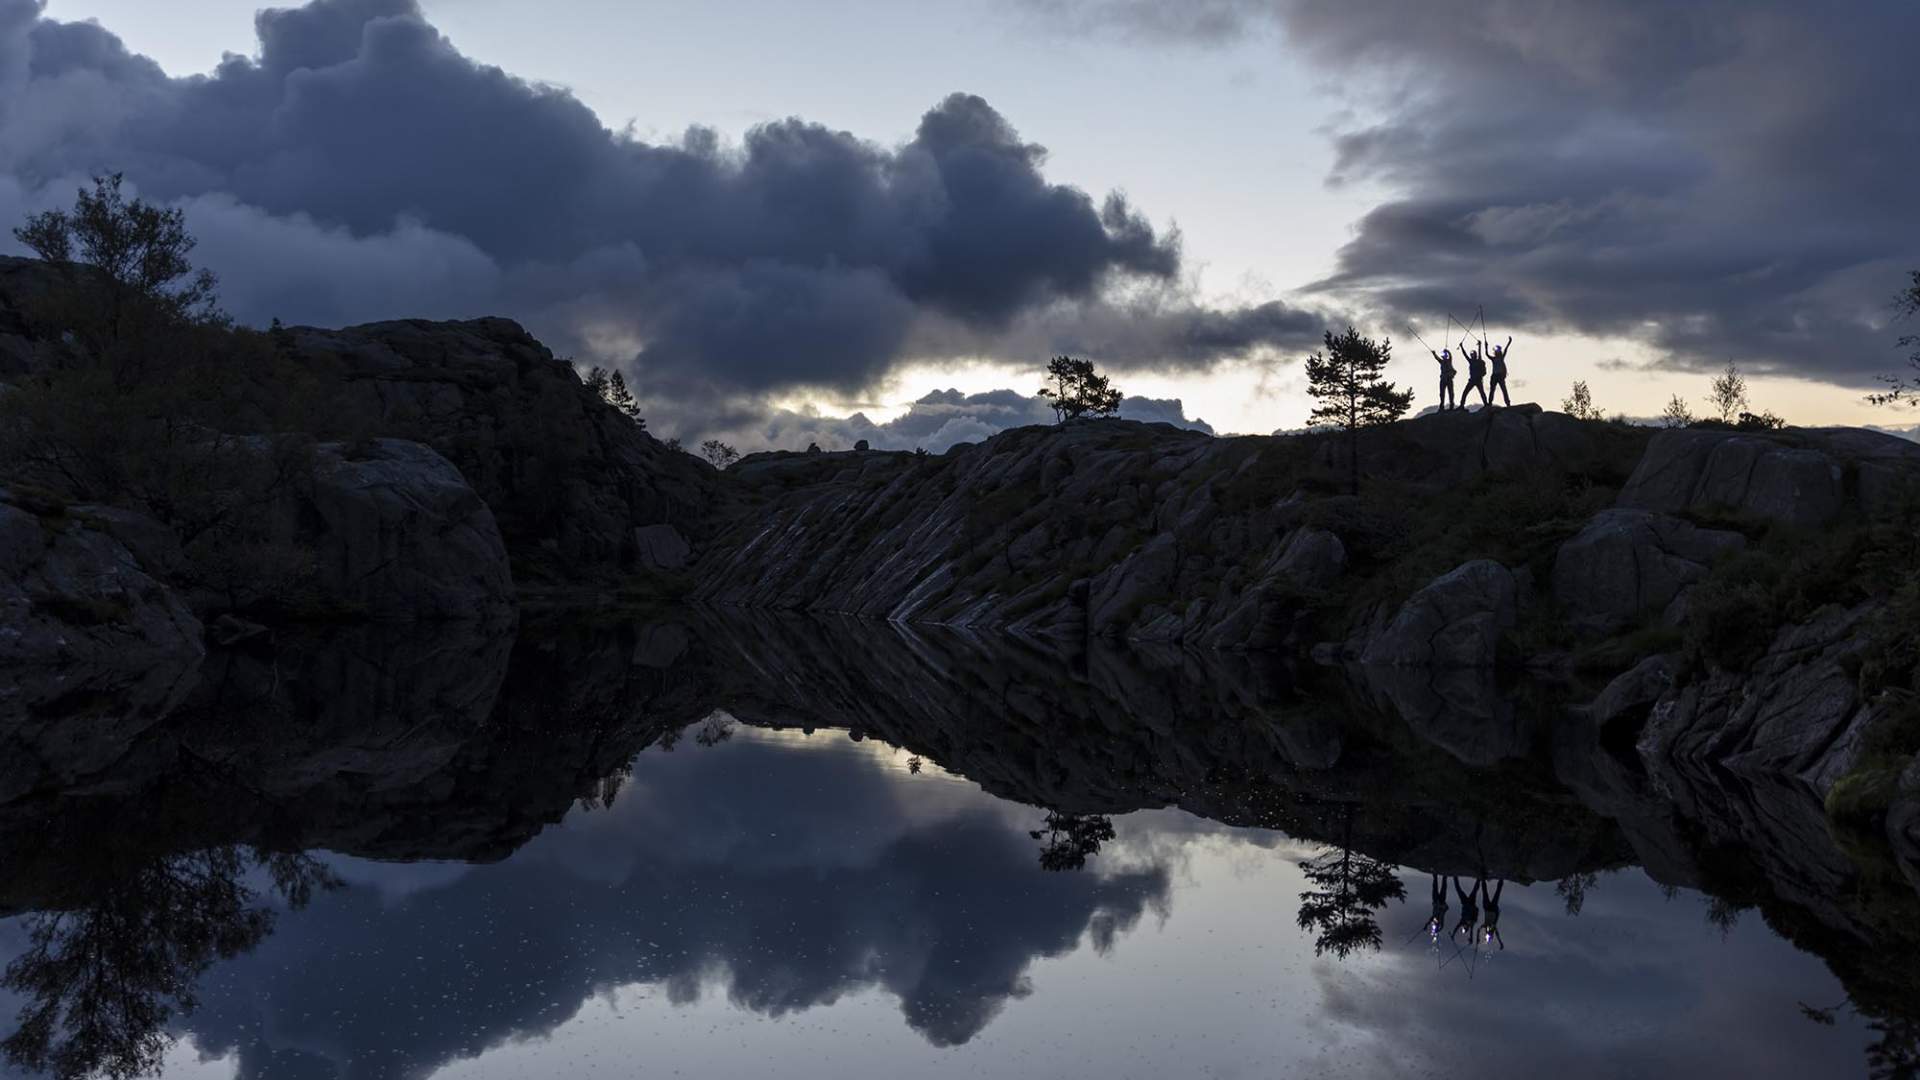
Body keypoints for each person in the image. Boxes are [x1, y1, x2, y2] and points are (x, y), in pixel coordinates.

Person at [1459, 339, 1490, 409]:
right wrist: (1461, 347)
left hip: (1476, 380)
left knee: (1479, 393)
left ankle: (1486, 404)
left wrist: (1479, 345)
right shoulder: (1472, 361)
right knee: (1467, 392)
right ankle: (1462, 405)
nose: (1472, 356)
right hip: (1474, 380)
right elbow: (1465, 355)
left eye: (1472, 355)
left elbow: (1478, 352)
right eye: (1471, 355)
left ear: (1474, 355)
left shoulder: (1476, 360)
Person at [1450, 876, 1481, 942]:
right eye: (1465, 928)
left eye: (1463, 927)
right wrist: (1471, 939)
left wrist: (1453, 934)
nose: (1463, 926)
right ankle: (1479, 879)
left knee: (1458, 890)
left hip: (1464, 903)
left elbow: (1456, 927)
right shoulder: (1471, 924)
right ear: (1467, 928)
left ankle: (1455, 877)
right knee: (1474, 890)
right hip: (1471, 903)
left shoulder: (1462, 922)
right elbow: (1471, 932)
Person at [1479, 878, 1505, 950]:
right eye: (1489, 935)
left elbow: (1479, 930)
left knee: (1486, 892)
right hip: (1492, 909)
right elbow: (1497, 935)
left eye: (1487, 935)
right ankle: (1501, 879)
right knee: (1496, 893)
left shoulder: (1485, 926)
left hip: (1488, 909)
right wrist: (1500, 943)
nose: (1488, 934)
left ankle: (1483, 878)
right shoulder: (1493, 928)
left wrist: (1478, 938)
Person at [1486, 336, 1513, 407]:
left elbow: (1506, 349)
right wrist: (1486, 347)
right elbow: (1487, 354)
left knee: (1504, 390)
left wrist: (1509, 342)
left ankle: (1508, 403)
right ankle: (1490, 403)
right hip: (1494, 376)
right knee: (1492, 390)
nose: (1496, 352)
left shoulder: (1501, 357)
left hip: (1500, 376)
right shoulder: (1493, 358)